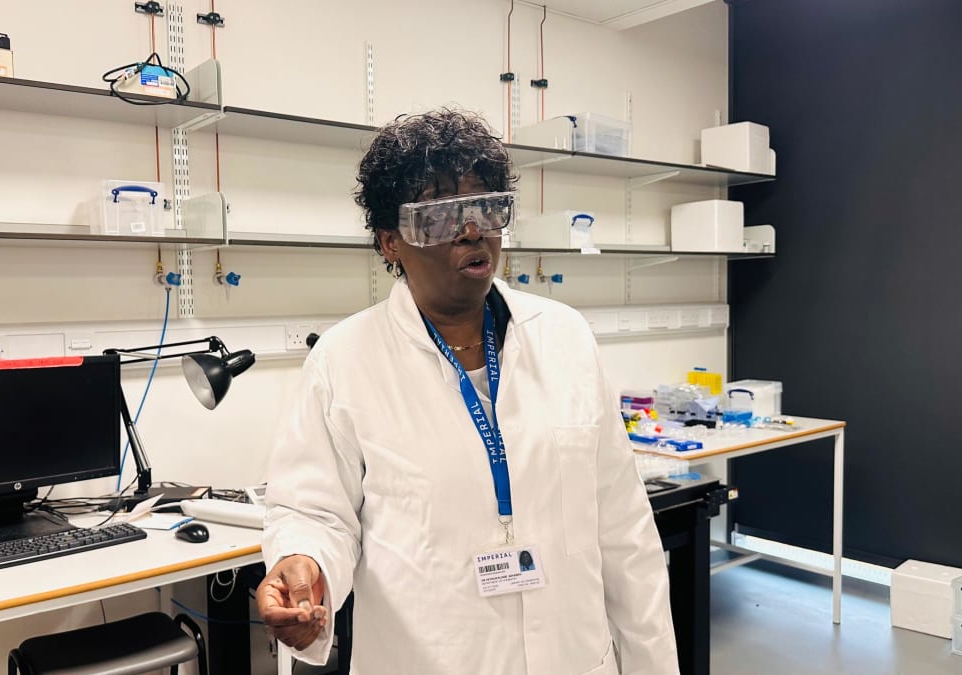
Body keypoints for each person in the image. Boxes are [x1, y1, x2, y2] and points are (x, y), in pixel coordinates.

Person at [257, 108, 678, 675]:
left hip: (574, 656)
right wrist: (304, 562)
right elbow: (314, 511)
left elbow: (625, 532)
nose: (473, 230)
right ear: (390, 242)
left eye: (486, 207)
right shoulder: (345, 360)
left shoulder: (566, 337)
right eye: (439, 216)